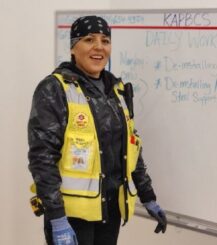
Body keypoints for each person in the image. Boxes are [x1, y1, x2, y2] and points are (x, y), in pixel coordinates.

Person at [28, 15, 167, 245]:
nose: (99, 47)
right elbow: (42, 158)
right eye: (89, 39)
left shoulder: (117, 90)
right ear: (73, 47)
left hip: (110, 211)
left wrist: (148, 196)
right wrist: (57, 218)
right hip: (71, 217)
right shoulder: (54, 89)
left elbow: (132, 148)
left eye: (105, 40)